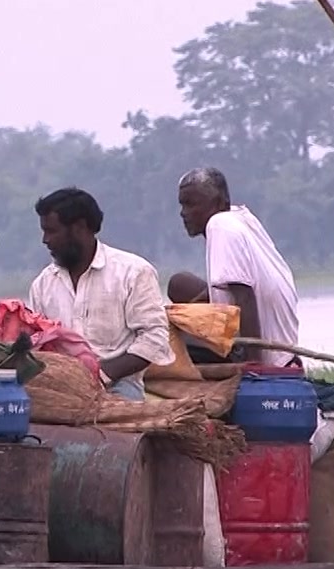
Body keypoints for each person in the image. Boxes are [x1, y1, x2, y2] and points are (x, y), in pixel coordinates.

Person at [27, 187, 173, 401]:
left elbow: (155, 339)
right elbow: (37, 344)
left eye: (52, 231)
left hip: (117, 387)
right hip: (59, 389)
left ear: (79, 227)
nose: (45, 240)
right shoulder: (42, 284)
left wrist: (101, 375)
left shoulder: (133, 272)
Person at [169, 167, 300, 367]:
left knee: (166, 341)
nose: (183, 213)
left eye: (191, 204)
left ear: (219, 203)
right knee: (178, 284)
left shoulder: (219, 225)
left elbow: (244, 296)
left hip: (267, 353)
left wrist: (255, 368)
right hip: (282, 347)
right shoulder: (240, 217)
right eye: (182, 205)